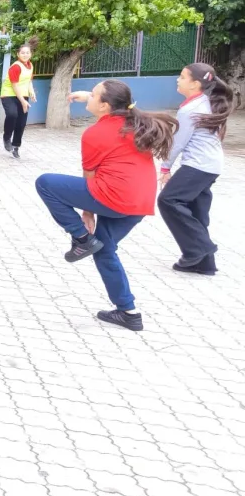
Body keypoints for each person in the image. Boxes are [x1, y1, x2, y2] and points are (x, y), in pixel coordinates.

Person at [34, 80, 177, 332]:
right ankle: (128, 312)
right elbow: (112, 102)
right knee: (104, 250)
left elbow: (89, 175)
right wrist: (83, 95)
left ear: (104, 105)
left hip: (113, 196)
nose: (89, 96)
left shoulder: (95, 133)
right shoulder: (135, 122)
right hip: (139, 202)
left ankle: (80, 239)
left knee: (45, 183)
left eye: (93, 94)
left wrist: (86, 215)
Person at [157, 63, 231, 276]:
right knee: (197, 210)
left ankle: (199, 248)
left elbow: (178, 142)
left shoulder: (190, 109)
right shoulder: (207, 103)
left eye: (182, 77)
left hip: (198, 165)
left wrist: (165, 167)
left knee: (168, 200)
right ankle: (204, 264)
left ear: (195, 84)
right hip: (211, 165)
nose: (177, 80)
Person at [1, 43, 36, 159]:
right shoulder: (15, 67)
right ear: (18, 54)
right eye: (23, 53)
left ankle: (16, 146)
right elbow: (14, 85)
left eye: (27, 52)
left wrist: (32, 92)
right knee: (12, 114)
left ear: (31, 54)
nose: (25, 55)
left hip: (23, 96)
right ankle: (6, 138)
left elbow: (29, 81)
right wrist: (22, 101)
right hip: (9, 95)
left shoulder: (30, 66)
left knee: (21, 123)